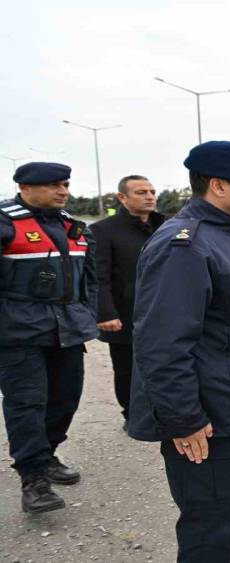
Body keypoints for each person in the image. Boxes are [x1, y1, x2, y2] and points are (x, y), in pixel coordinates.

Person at [128, 141, 230, 562]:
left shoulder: (223, 234)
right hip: (209, 422)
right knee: (210, 532)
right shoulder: (185, 244)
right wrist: (184, 419)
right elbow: (162, 344)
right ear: (218, 185)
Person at [0, 162, 97, 513]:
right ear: (25, 188)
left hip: (67, 329)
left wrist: (89, 314)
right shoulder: (6, 223)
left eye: (65, 184)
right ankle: (34, 479)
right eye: (54, 185)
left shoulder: (73, 227)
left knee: (65, 399)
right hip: (17, 333)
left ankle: (48, 453)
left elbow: (90, 280)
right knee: (27, 404)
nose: (63, 191)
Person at [90, 175, 165, 429]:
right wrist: (105, 312)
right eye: (141, 192)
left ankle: (164, 409)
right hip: (126, 313)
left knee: (167, 362)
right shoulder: (104, 230)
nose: (150, 196)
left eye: (152, 191)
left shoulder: (165, 225)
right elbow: (99, 276)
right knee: (127, 368)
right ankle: (132, 414)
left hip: (164, 310)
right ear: (122, 197)